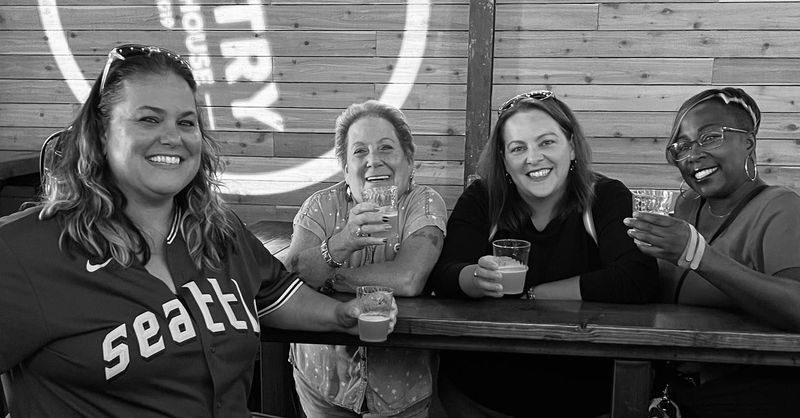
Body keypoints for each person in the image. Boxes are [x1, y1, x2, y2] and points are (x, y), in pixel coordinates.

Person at [0, 44, 396, 417]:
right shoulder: (24, 251)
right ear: (101, 134)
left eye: (186, 122)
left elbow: (271, 294)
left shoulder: (218, 230)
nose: (172, 136)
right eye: (148, 119)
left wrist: (341, 314)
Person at [429, 90, 658, 417]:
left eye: (546, 142)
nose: (533, 158)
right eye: (518, 148)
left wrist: (535, 293)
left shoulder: (606, 196)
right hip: (479, 396)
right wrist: (475, 278)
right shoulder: (483, 197)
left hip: (588, 399)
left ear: (572, 147)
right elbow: (444, 273)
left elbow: (638, 278)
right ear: (504, 161)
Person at [625, 87, 800, 418]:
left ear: (748, 142)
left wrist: (698, 255)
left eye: (709, 138)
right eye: (683, 146)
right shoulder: (685, 207)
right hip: (666, 386)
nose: (692, 155)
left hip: (748, 395)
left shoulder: (780, 206)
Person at [284, 100, 447, 417]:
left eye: (386, 148)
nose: (374, 161)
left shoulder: (423, 202)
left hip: (401, 386)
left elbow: (408, 279)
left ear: (409, 161)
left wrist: (329, 278)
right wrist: (343, 242)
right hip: (324, 381)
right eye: (359, 152)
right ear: (345, 169)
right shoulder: (319, 205)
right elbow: (292, 275)